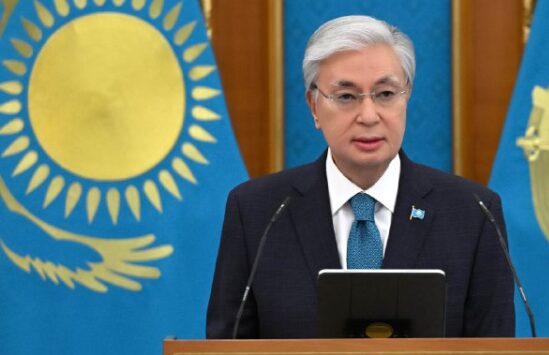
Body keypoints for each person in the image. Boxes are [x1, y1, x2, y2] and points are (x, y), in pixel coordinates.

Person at [206, 15, 514, 338]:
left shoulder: (473, 214)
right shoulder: (258, 212)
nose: (368, 116)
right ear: (314, 106)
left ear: (406, 97)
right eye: (346, 97)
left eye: (385, 94)